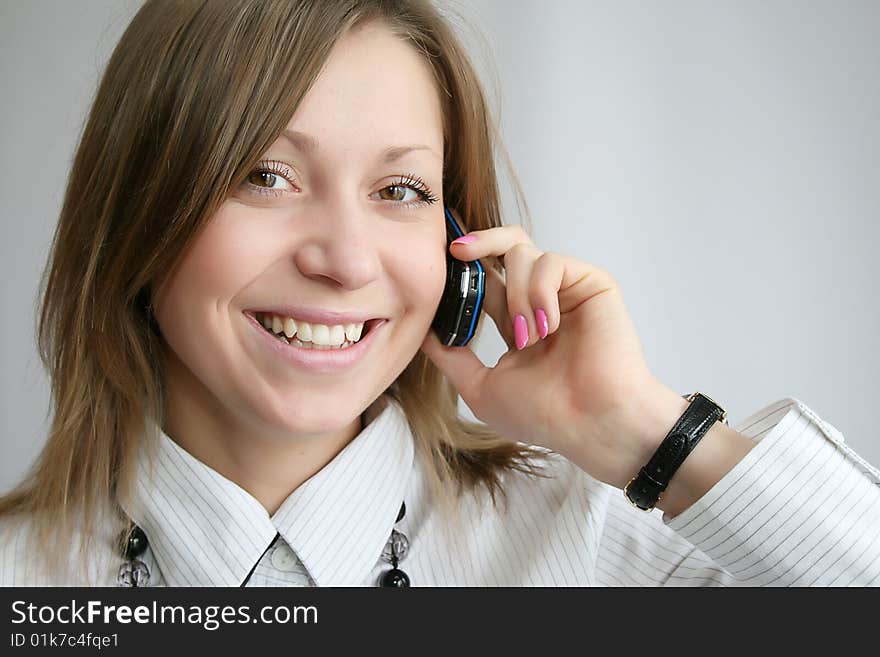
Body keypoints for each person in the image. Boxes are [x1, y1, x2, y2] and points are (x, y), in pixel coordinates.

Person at [2, 0, 878, 587]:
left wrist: (648, 433)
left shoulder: (592, 549)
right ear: (137, 214)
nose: (346, 261)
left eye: (402, 191)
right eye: (265, 175)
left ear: (461, 252)